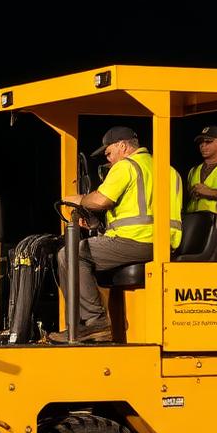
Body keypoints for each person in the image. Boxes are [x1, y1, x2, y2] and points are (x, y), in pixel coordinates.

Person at [51, 126, 182, 342]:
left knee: (70, 254)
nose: (108, 159)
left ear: (123, 146)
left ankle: (95, 322)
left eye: (109, 153)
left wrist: (79, 199)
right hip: (164, 242)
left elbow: (101, 200)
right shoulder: (169, 170)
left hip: (137, 240)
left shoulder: (126, 166)